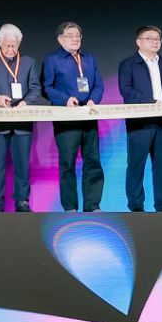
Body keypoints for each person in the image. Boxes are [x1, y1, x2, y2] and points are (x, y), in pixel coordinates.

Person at [0, 23, 41, 213]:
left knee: (22, 164)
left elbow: (35, 88)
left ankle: (22, 200)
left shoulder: (29, 62)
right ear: (0, 43)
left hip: (22, 120)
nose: (11, 49)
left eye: (14, 45)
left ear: (19, 44)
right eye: (7, 46)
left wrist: (25, 102)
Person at [42, 21, 104, 212]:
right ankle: (70, 207)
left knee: (93, 161)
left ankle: (92, 205)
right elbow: (46, 87)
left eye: (78, 35)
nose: (75, 39)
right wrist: (65, 99)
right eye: (70, 36)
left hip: (88, 116)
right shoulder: (53, 60)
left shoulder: (89, 59)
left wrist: (93, 100)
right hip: (66, 118)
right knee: (68, 163)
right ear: (60, 39)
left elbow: (98, 85)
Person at [117, 26, 162, 213]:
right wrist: (151, 103)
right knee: (136, 166)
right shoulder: (128, 64)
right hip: (140, 123)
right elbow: (126, 91)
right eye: (150, 38)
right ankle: (136, 206)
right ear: (138, 42)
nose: (155, 42)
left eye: (157, 39)